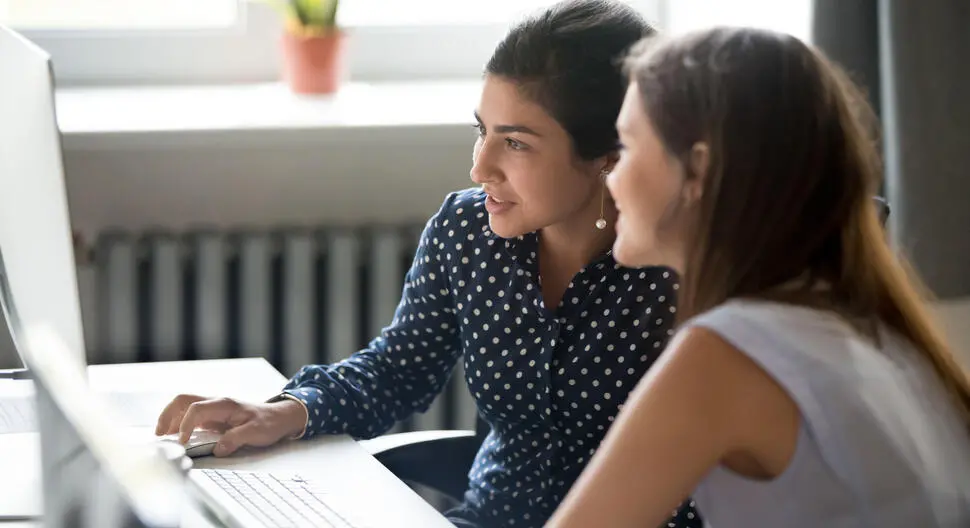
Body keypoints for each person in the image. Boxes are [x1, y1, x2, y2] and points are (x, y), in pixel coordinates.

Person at [155, 2, 703, 527]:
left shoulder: (678, 267)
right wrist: (284, 411)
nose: (479, 167)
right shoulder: (468, 231)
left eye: (515, 143)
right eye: (481, 131)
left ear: (610, 153)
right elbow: (399, 370)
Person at [547, 26, 970, 527]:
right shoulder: (874, 334)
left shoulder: (726, 354)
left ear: (698, 172)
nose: (610, 176)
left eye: (629, 146)